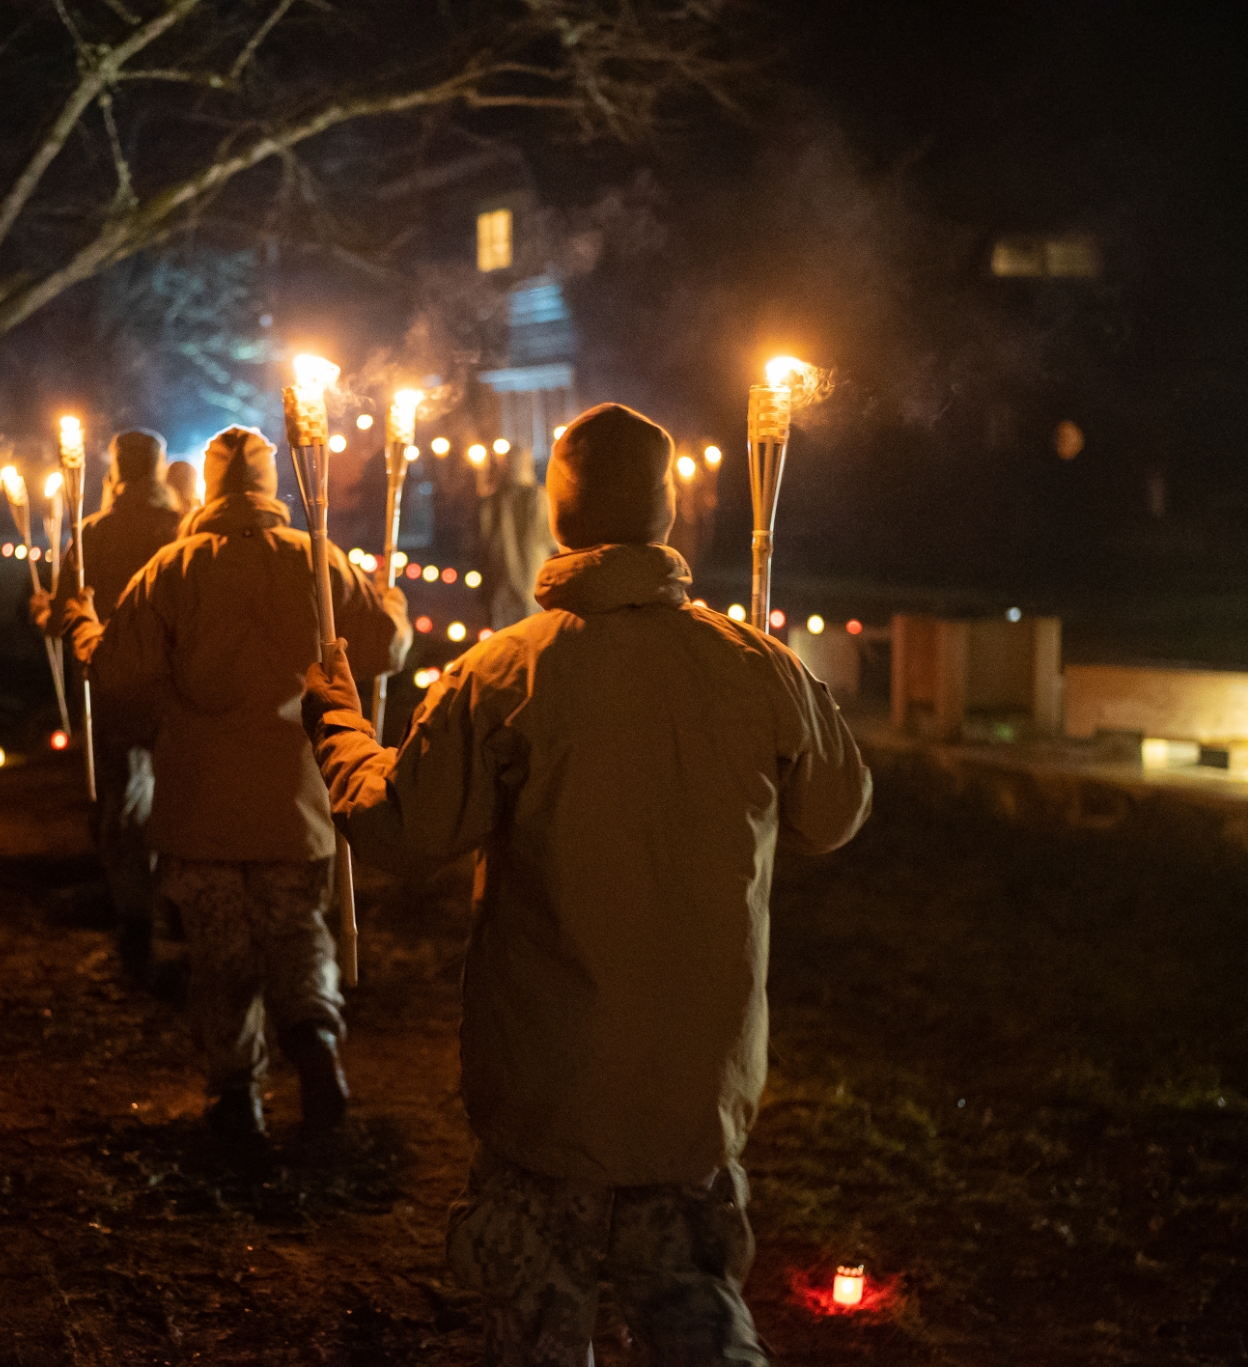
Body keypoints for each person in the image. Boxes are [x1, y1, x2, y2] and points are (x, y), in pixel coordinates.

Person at [300, 403, 873, 1364]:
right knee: (694, 1308)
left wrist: (339, 724)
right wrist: (790, 691)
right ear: (669, 513)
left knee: (539, 1324)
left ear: (558, 518)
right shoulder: (754, 667)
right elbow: (836, 812)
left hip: (547, 1090)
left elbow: (403, 824)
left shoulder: (505, 673)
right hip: (696, 1083)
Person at [52, 425, 411, 1141]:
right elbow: (382, 648)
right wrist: (391, 603)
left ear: (211, 485)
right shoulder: (319, 561)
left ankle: (238, 1094)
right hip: (294, 796)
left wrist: (82, 627)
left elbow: (118, 668)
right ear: (273, 483)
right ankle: (313, 1037)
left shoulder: (174, 568)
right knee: (295, 927)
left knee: (221, 949)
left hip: (200, 802)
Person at [37, 430, 185, 972]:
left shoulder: (94, 533)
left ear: (116, 470)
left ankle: (136, 920)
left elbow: (65, 612)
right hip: (174, 692)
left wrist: (48, 612)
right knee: (178, 802)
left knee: (125, 809)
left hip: (116, 689)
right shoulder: (181, 531)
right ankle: (179, 909)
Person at [474, 441, 556, 628]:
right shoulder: (538, 495)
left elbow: (483, 537)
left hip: (501, 579)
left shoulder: (494, 498)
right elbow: (549, 538)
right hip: (530, 579)